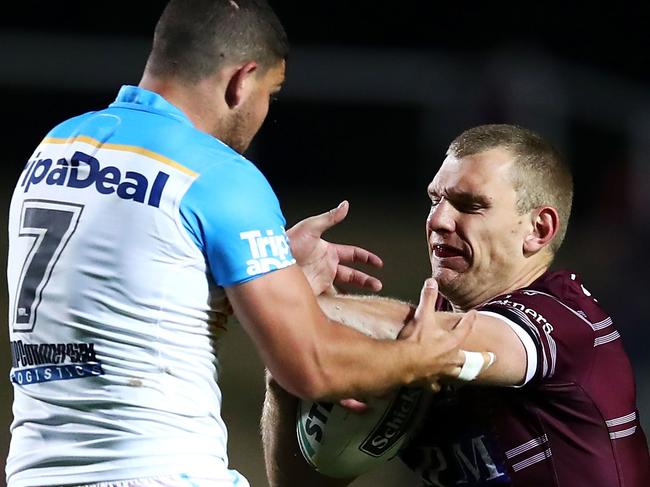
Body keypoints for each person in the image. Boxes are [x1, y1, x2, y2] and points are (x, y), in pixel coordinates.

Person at [5, 1, 494, 486]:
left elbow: (129, 301)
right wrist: (420, 358)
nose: (264, 112)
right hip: (157, 472)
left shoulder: (56, 147)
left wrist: (261, 259)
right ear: (243, 80)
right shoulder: (218, 173)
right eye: (271, 94)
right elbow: (312, 366)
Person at [262, 124, 650, 486]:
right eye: (435, 199)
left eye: (470, 205)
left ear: (538, 230)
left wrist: (278, 287)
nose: (439, 220)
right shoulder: (414, 342)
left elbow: (438, 336)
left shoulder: (565, 322)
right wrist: (285, 374)